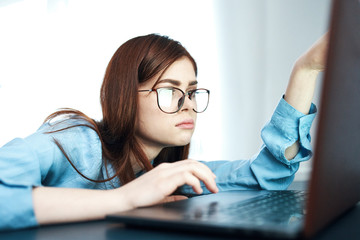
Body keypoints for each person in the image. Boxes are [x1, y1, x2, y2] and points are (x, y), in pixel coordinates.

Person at [0, 33, 328, 230]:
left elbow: (268, 176)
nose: (187, 104)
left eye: (193, 92)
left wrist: (305, 69)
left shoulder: (163, 175)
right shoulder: (77, 139)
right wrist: (124, 199)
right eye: (170, 91)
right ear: (126, 97)